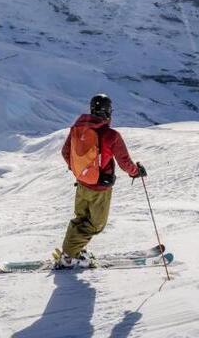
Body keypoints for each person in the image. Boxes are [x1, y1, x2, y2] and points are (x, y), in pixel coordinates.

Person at [56, 94, 147, 268]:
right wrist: (136, 172)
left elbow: (65, 152)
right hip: (99, 188)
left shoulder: (77, 128)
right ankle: (69, 255)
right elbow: (124, 162)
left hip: (82, 183)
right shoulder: (110, 135)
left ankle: (74, 250)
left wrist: (80, 170)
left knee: (81, 218)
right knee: (95, 224)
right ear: (107, 112)